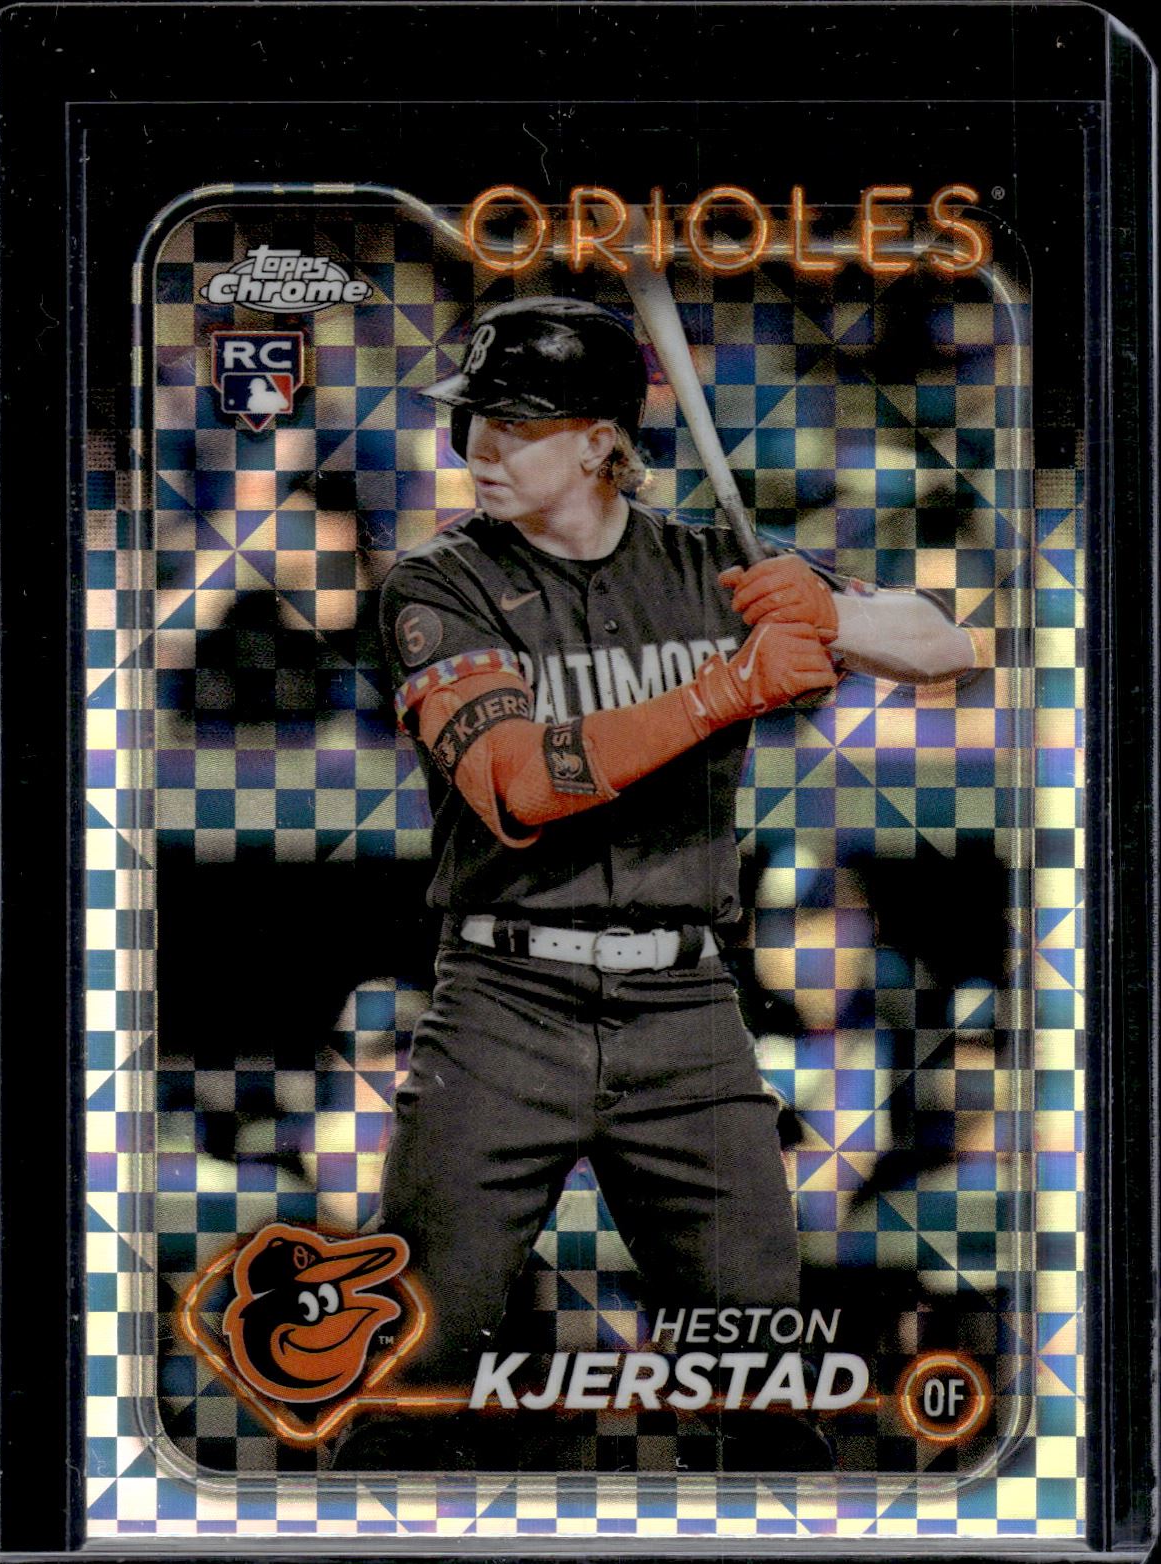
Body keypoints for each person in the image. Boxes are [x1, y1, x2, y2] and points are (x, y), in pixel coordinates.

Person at [337, 295, 974, 1470]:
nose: (477, 443)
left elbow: (946, 644)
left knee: (763, 1387)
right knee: (410, 1380)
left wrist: (833, 610)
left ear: (599, 440)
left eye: (514, 420)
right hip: (502, 1006)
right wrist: (729, 687)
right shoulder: (437, 582)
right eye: (471, 416)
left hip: (686, 1012)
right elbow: (517, 784)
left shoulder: (702, 562)